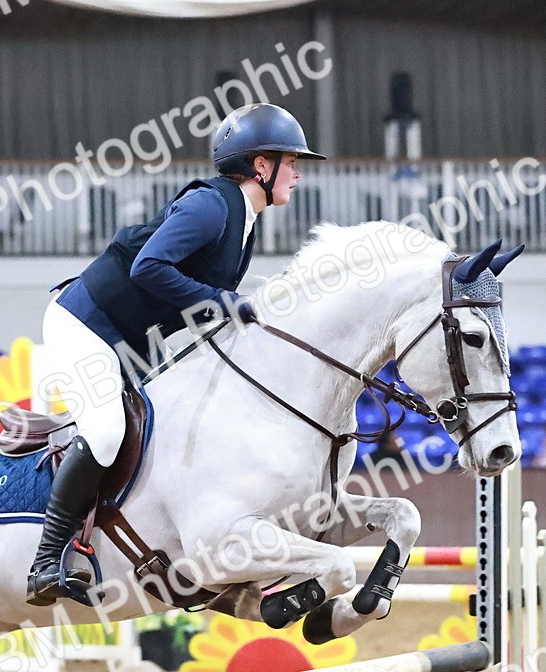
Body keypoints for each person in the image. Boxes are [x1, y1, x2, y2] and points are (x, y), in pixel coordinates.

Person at [25, 103, 324, 606]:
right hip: (84, 323)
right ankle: (44, 561)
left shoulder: (243, 218)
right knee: (104, 429)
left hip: (126, 337)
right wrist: (226, 303)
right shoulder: (211, 205)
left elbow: (192, 297)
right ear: (260, 166)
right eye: (290, 161)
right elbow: (149, 267)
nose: (297, 172)